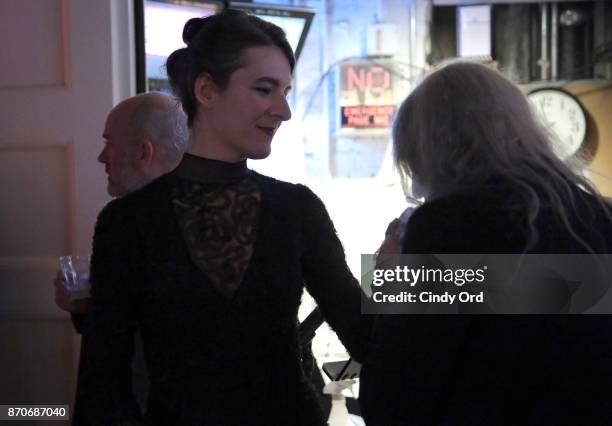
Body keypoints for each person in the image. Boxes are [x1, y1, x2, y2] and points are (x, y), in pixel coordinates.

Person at [75, 9, 368, 425]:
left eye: (285, 91)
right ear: (207, 91)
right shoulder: (127, 222)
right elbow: (103, 380)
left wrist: (421, 273)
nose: (283, 110)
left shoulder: (297, 209)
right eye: (265, 90)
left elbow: (362, 330)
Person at [360, 62, 612, 425]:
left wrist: (391, 282)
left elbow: (391, 400)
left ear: (426, 150)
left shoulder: (451, 223)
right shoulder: (599, 219)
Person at [54, 92, 188, 418]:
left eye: (109, 143)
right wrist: (86, 307)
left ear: (144, 152)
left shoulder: (123, 222)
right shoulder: (204, 216)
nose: (102, 157)